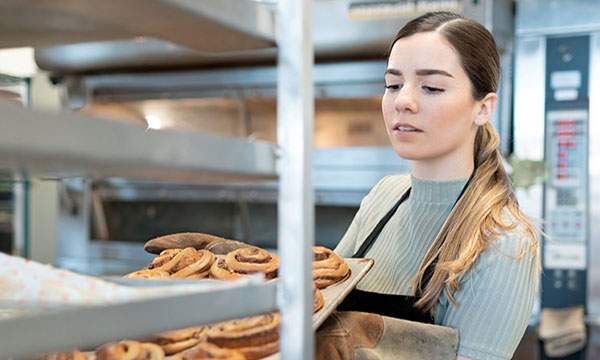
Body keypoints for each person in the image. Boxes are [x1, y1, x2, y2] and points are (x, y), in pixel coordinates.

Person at [334, 11, 540, 360]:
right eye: (393, 84)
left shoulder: (504, 243)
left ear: (483, 108)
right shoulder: (385, 196)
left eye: (431, 87)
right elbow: (323, 300)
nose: (403, 101)